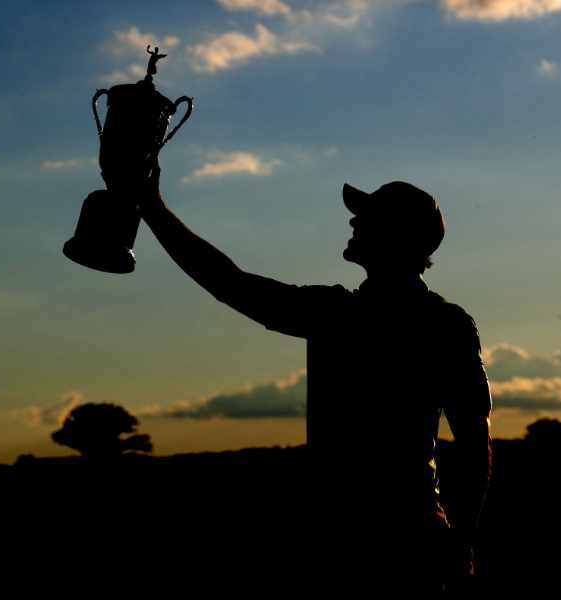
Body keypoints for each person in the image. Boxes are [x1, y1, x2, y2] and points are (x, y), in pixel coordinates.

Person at [116, 162, 491, 586]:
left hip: (362, 546)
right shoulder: (442, 324)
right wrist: (461, 540)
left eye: (365, 216)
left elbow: (229, 283)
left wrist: (152, 206)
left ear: (393, 234)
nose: (353, 220)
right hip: (404, 539)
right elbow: (476, 445)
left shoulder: (339, 315)